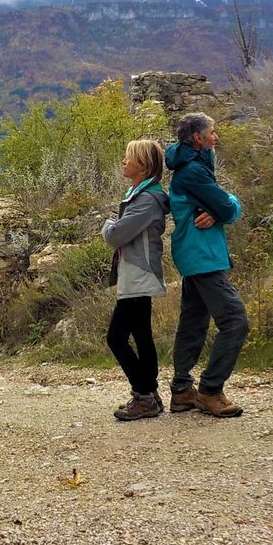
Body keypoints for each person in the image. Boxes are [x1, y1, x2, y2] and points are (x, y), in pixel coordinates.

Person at [164, 113, 249, 418]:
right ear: (198, 138)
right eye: (212, 133)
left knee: (193, 323)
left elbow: (219, 208)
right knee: (235, 320)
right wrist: (225, 206)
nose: (217, 138)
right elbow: (228, 206)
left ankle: (182, 391)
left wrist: (217, 210)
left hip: (194, 253)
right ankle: (211, 391)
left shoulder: (192, 167)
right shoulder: (193, 173)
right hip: (202, 256)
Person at [101, 139, 170, 421]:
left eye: (128, 158)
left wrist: (106, 224)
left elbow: (116, 234)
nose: (123, 162)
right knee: (141, 336)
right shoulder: (142, 194)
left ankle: (143, 395)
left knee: (116, 337)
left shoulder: (145, 200)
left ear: (142, 166)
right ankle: (150, 395)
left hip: (138, 275)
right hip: (138, 273)